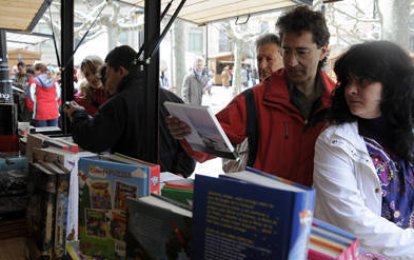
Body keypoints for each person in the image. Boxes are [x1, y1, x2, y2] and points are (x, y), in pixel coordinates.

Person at [166, 6, 335, 187]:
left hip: (319, 211)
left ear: (323, 51)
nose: (292, 62)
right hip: (266, 206)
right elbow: (210, 143)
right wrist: (187, 132)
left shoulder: (340, 102)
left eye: (302, 52)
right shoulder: (255, 99)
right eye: (286, 51)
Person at [313, 41, 414, 260]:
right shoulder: (334, 142)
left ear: (392, 85)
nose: (350, 89)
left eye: (363, 80)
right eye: (347, 80)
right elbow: (353, 221)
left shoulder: (408, 134)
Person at [64, 45, 195, 177]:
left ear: (120, 71)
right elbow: (189, 146)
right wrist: (178, 174)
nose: (105, 82)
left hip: (132, 182)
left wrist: (77, 114)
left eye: (108, 74)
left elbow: (94, 139)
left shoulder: (117, 104)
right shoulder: (173, 99)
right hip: (170, 184)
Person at [222, 33, 284, 173]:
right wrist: (236, 172)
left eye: (269, 59)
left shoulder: (288, 105)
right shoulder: (249, 100)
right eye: (259, 59)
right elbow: (225, 142)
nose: (262, 65)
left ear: (284, 59)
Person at [26, 62, 61, 127]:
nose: (34, 73)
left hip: (40, 111)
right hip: (53, 110)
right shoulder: (54, 81)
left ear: (39, 70)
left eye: (35, 71)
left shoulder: (33, 81)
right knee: (53, 133)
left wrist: (33, 107)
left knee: (42, 134)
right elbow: (58, 95)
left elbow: (30, 97)